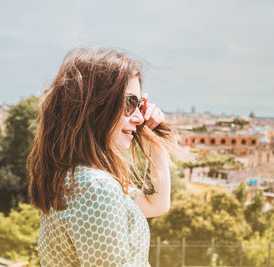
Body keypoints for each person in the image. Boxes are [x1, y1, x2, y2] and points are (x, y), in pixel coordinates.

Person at [28, 48, 177, 266]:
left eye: (139, 105)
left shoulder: (74, 180)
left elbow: (155, 204)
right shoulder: (96, 189)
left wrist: (153, 137)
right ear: (96, 107)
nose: (138, 117)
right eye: (129, 103)